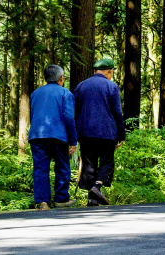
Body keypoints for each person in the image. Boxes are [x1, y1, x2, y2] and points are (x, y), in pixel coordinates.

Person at [73, 57, 126, 206]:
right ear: (109, 71)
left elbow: (75, 110)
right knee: (106, 161)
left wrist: (75, 133)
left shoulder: (81, 86)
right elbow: (117, 112)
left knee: (89, 163)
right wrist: (121, 135)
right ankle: (97, 186)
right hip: (106, 132)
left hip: (85, 132)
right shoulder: (111, 86)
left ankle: (92, 199)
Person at [28, 64, 78, 210]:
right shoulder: (65, 93)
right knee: (62, 166)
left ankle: (43, 202)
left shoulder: (35, 94)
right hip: (58, 135)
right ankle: (61, 199)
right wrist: (73, 140)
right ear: (61, 78)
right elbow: (69, 117)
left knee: (40, 168)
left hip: (37, 135)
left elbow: (33, 115)